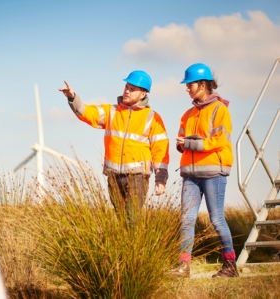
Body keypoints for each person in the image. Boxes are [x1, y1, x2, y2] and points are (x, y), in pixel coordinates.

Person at [58, 71, 169, 221]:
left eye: (132, 89)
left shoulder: (152, 118)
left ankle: (133, 244)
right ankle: (126, 245)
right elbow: (86, 112)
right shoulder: (111, 111)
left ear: (143, 94)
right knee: (121, 218)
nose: (127, 91)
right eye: (126, 87)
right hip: (114, 175)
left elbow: (160, 149)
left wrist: (160, 179)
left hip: (137, 176)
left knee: (132, 219)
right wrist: (72, 97)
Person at [170, 63, 239, 278]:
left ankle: (230, 266)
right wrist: (182, 144)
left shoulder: (220, 110)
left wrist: (190, 144)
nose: (187, 89)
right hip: (190, 175)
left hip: (213, 173)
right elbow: (182, 140)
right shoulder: (188, 113)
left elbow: (220, 140)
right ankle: (183, 267)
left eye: (190, 84)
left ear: (202, 85)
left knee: (216, 219)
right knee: (186, 219)